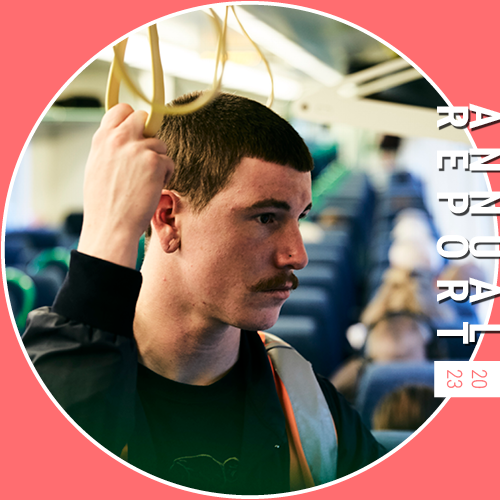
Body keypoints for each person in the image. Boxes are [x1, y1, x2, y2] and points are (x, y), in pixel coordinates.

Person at [23, 92, 384, 495]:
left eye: (299, 218)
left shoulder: (310, 408)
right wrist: (104, 247)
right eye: (266, 217)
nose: (297, 256)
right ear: (167, 218)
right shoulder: (43, 378)